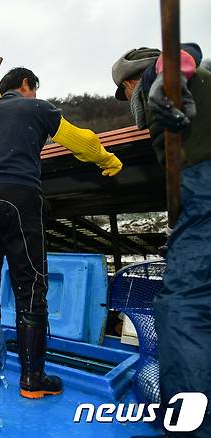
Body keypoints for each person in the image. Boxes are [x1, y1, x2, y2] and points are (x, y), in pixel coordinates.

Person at [0, 67, 123, 399]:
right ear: (26, 85)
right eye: (34, 89)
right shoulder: (38, 108)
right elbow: (83, 141)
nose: (35, 94)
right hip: (20, 197)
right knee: (30, 284)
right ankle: (32, 379)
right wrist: (107, 160)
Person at [112, 45, 211, 435]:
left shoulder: (163, 76)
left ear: (134, 78)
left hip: (204, 189)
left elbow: (177, 57)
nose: (128, 98)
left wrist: (161, 80)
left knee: (183, 309)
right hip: (196, 204)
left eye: (127, 88)